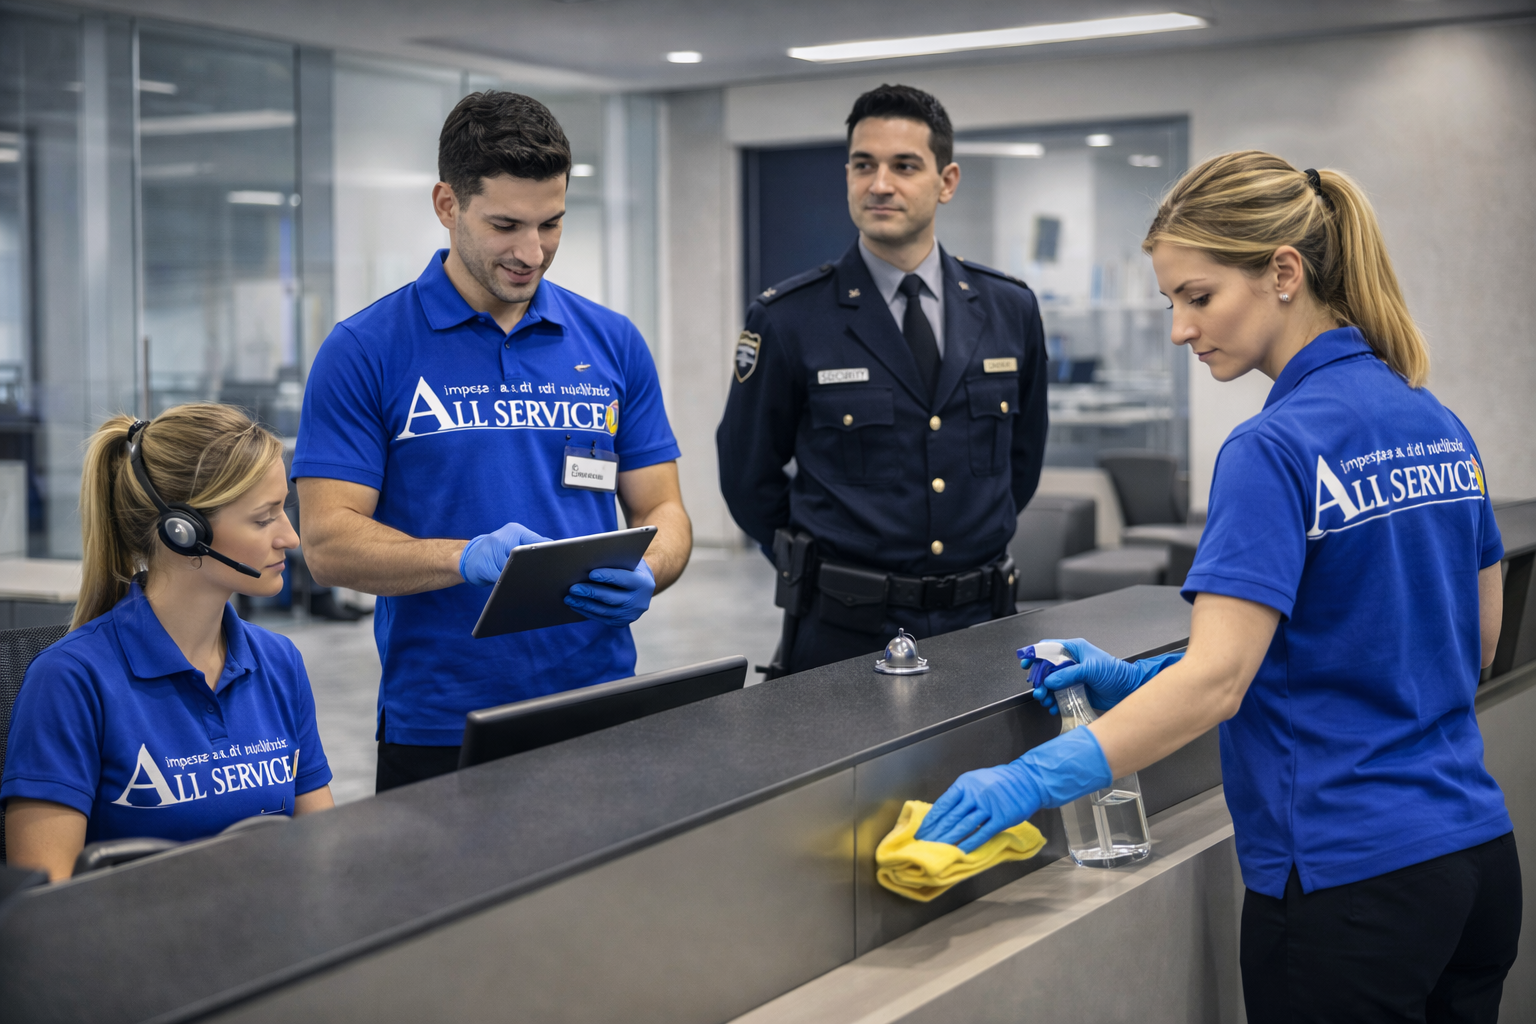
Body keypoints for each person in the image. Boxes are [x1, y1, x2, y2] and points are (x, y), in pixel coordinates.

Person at [916, 152, 1519, 1022]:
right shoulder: (1435, 421)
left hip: (1348, 889)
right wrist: (1140, 680)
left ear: (1284, 272)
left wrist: (1026, 780)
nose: (1179, 329)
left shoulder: (1270, 449)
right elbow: (1467, 644)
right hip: (1475, 862)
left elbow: (1221, 680)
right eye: (1171, 302)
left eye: (1197, 296)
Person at [294, 91, 690, 792]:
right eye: (505, 224)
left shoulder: (612, 342)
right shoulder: (365, 349)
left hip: (599, 700)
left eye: (552, 224)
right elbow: (327, 544)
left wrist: (651, 570)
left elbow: (665, 510)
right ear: (447, 205)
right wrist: (465, 559)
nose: (531, 252)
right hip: (445, 722)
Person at [716, 84, 1047, 677]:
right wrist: (813, 561)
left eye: (904, 166)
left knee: (984, 769)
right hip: (844, 627)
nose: (880, 184)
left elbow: (1022, 463)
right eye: (863, 165)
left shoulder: (1008, 309)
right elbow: (746, 474)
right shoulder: (791, 317)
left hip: (983, 621)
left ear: (946, 182)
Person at [2, 405, 334, 881]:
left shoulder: (279, 663)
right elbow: (41, 910)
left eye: (285, 510)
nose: (291, 537)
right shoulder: (70, 681)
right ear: (185, 534)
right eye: (264, 519)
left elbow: (320, 851)